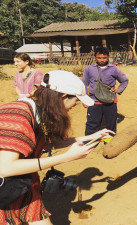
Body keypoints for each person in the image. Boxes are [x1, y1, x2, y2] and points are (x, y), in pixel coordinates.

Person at [0, 70, 114, 225]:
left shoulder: (38, 112)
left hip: (23, 184)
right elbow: (5, 168)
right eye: (76, 100)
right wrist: (66, 157)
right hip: (6, 188)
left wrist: (90, 137)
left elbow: (47, 143)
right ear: (62, 96)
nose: (78, 105)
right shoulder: (18, 115)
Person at [82, 47, 128, 135]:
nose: (102, 60)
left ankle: (109, 145)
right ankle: (89, 144)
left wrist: (118, 90)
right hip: (93, 101)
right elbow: (84, 84)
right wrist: (84, 99)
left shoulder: (113, 69)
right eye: (99, 58)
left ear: (108, 57)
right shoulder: (89, 69)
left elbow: (124, 80)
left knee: (110, 125)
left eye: (104, 58)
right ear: (95, 57)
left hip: (110, 101)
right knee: (92, 124)